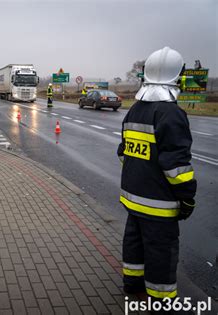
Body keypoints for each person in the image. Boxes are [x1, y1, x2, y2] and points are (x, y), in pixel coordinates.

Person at [117, 47, 196, 304]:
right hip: (159, 204)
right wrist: (187, 198)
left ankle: (132, 282)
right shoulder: (171, 114)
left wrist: (138, 175)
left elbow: (124, 152)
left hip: (133, 197)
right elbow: (176, 167)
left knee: (134, 242)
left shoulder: (134, 110)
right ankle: (161, 302)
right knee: (161, 252)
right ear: (176, 77)